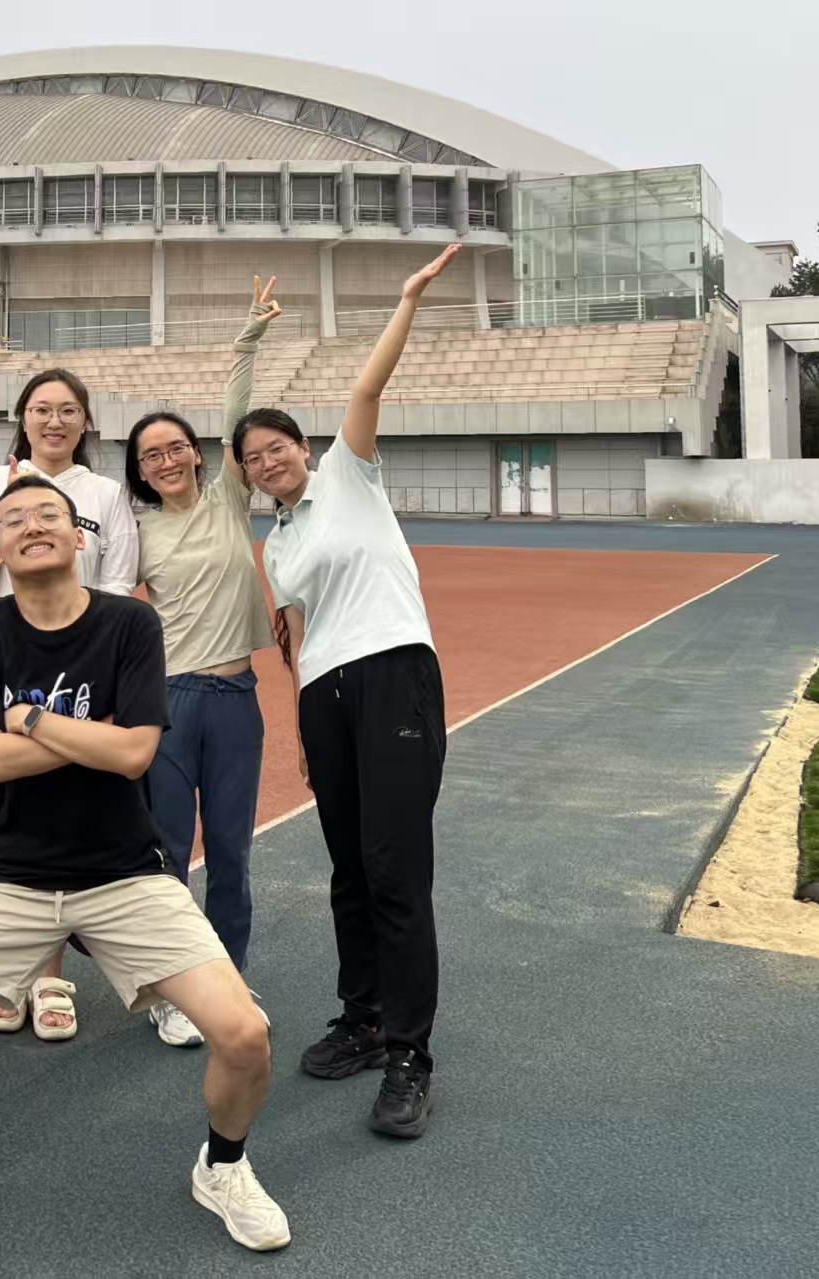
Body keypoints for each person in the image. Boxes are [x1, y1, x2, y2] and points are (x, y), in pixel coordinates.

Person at [0, 475, 289, 1252]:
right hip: (9, 874)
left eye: (48, 513)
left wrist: (28, 718)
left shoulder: (127, 622)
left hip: (125, 872)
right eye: (13, 519)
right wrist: (92, 736)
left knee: (243, 1032)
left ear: (78, 534)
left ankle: (222, 1165)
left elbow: (135, 753)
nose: (32, 525)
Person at [256, 245, 459, 1140]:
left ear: (302, 448)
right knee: (348, 867)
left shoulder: (349, 470)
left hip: (392, 674)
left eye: (276, 447)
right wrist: (304, 723)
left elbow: (369, 386)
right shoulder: (276, 543)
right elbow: (294, 635)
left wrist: (407, 299)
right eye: (252, 457)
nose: (267, 462)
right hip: (325, 695)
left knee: (394, 867)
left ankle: (411, 1051)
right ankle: (364, 1016)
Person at [0, 368, 138, 1040]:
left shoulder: (104, 493)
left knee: (59, 819)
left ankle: (50, 976)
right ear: (22, 418)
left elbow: (118, 584)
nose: (53, 421)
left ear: (85, 421)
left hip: (76, 675)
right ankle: (7, 970)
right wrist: (3, 508)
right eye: (40, 409)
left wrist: (97, 663)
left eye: (67, 410)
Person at [122, 275, 284, 1050]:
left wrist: (248, 336)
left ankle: (225, 979)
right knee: (165, 856)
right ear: (139, 469)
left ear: (195, 452)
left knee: (230, 853)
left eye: (175, 446)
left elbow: (236, 413)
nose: (166, 459)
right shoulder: (138, 530)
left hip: (234, 700)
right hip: (168, 706)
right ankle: (166, 989)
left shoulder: (229, 498)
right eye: (150, 454)